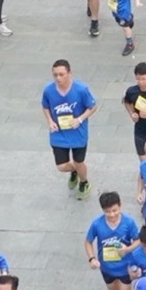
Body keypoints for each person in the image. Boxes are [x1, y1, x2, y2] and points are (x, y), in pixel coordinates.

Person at [40, 59, 96, 199]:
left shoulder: (81, 89)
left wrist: (80, 119)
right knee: (61, 166)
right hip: (58, 133)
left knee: (79, 161)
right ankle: (75, 171)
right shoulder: (48, 90)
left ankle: (84, 182)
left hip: (78, 133)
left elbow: (92, 106)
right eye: (55, 75)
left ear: (69, 73)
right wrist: (50, 121)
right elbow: (45, 106)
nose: (58, 78)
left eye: (61, 74)